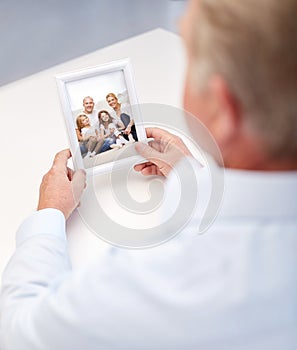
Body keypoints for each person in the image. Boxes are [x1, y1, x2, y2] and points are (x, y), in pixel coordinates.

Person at [1, 1, 297, 350]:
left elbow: (18, 332)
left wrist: (48, 215)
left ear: (222, 107)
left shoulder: (161, 284)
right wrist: (195, 181)